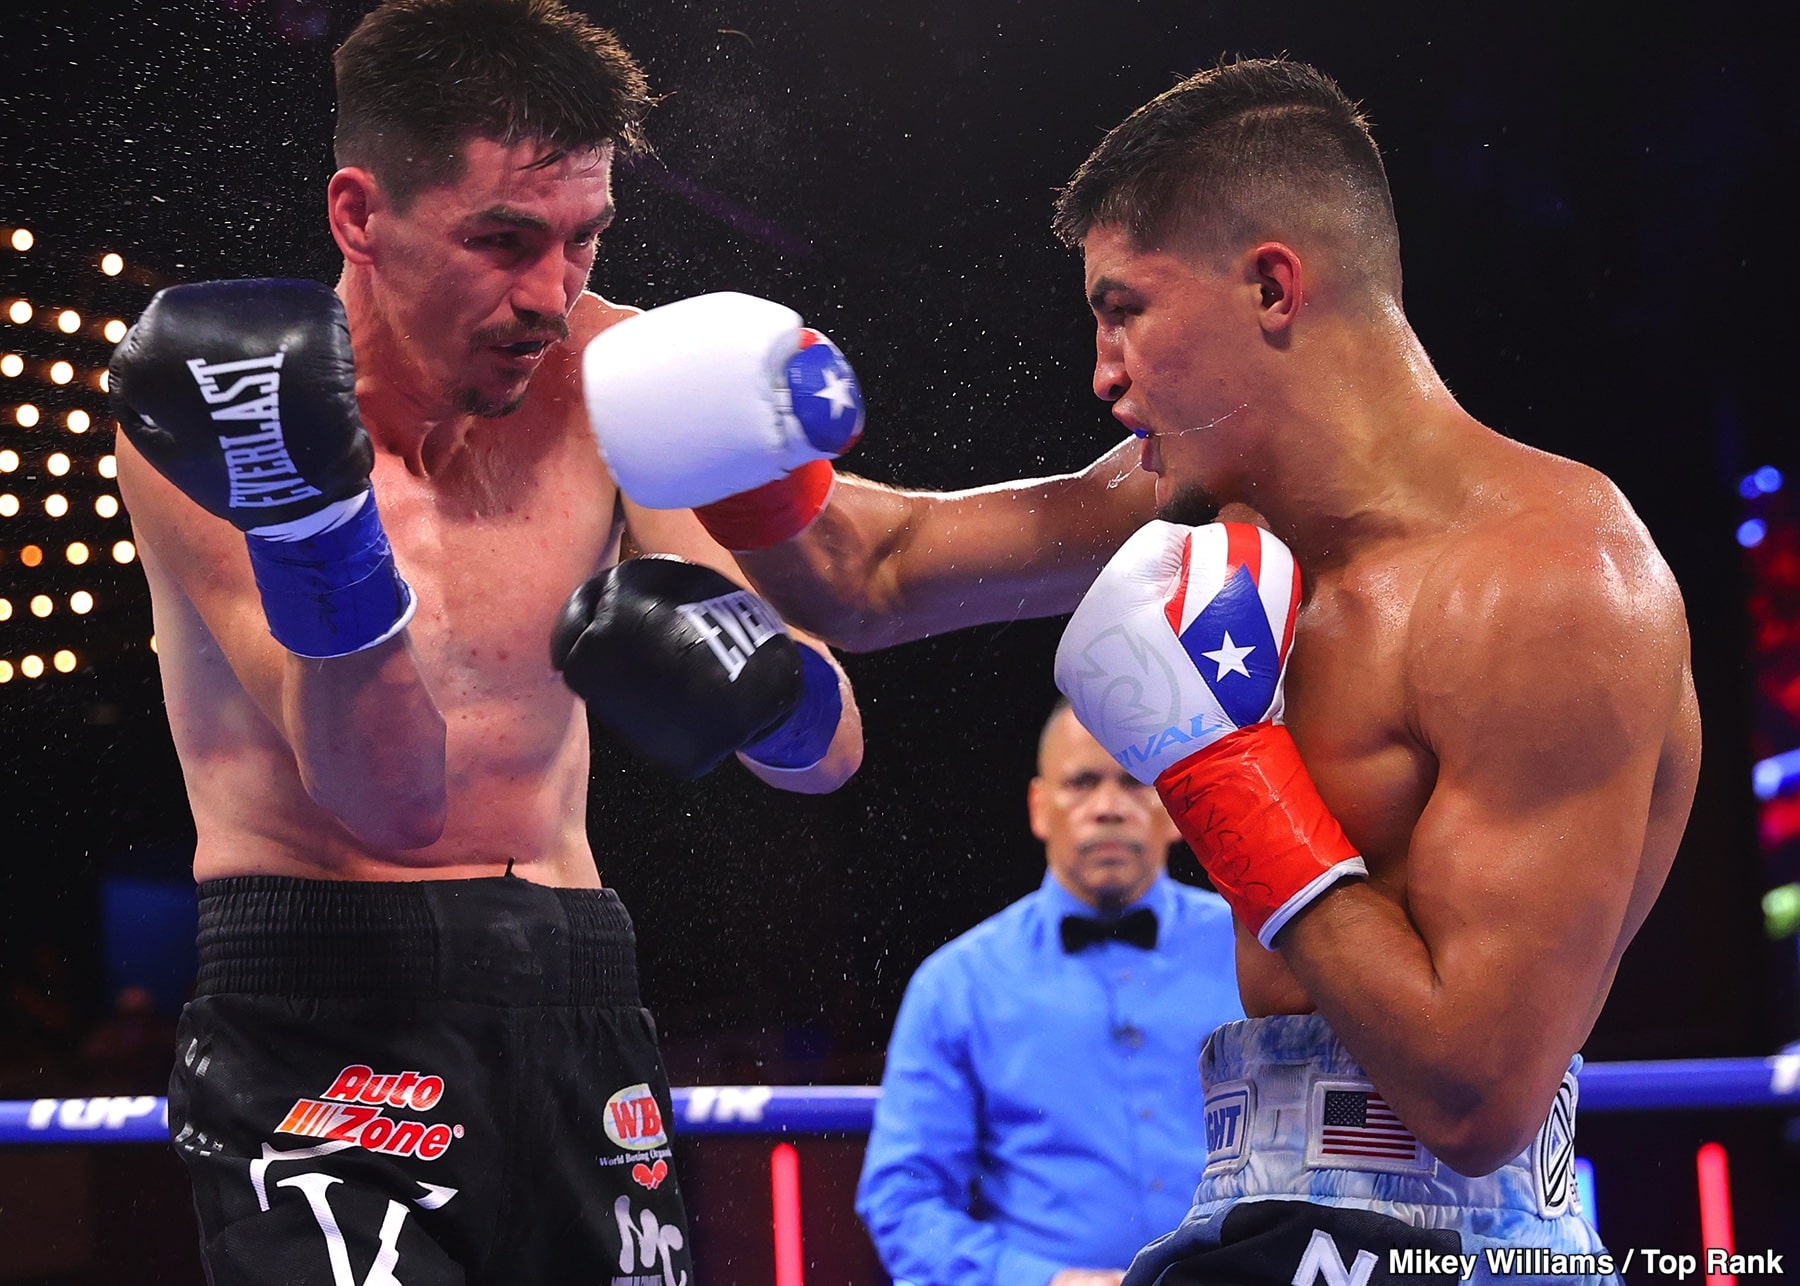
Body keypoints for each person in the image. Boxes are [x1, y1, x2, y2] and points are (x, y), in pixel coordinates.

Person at [586, 56, 1699, 1284]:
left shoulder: (1551, 584)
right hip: (1245, 1217)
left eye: (1125, 310)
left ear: (1273, 285)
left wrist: (1223, 771)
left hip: (1461, 1250)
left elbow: (1475, 1094)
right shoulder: (1194, 513)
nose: (1104, 372)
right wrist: (754, 451)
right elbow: (877, 573)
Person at [107, 1, 864, 1281]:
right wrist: (319, 527)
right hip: (322, 1002)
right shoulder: (218, 411)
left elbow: (827, 754)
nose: (550, 295)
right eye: (502, 241)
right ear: (360, 215)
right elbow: (386, 805)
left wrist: (767, 685)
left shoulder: (617, 372)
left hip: (575, 983)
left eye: (582, 241)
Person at [855, 699, 1241, 1286]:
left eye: (1134, 783)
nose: (1108, 808)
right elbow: (904, 1201)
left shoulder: (1258, 953)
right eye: (1082, 783)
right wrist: (1042, 1282)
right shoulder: (958, 984)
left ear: (1170, 806)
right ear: (1040, 808)